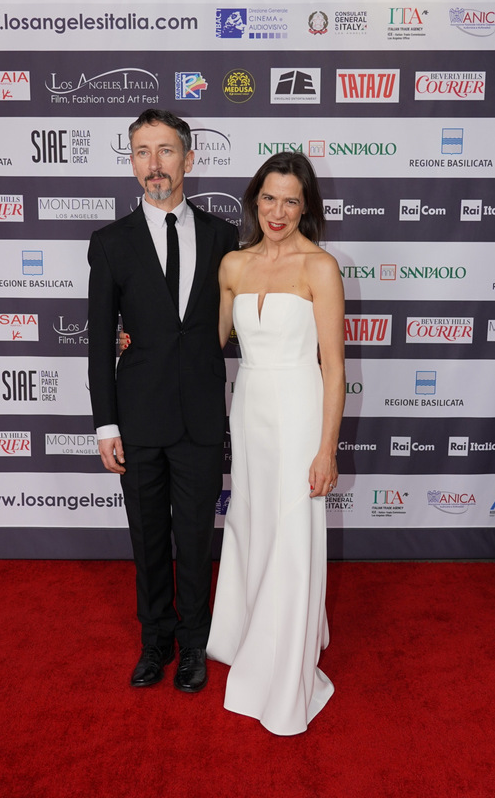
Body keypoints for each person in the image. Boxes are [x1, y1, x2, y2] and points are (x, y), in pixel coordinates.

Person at [87, 109, 238, 693]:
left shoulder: (223, 236)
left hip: (200, 415)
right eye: (142, 152)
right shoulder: (110, 243)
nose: (154, 164)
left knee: (196, 537)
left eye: (166, 151)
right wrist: (106, 425)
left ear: (189, 159)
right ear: (132, 163)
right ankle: (156, 640)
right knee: (148, 538)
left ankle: (195, 642)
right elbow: (101, 339)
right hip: (139, 417)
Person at [206, 152, 345, 735]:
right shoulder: (233, 264)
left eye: (291, 200)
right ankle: (248, 629)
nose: (278, 211)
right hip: (250, 410)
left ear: (305, 206)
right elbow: (206, 344)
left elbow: (334, 369)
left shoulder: (321, 268)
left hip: (299, 410)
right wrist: (141, 340)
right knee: (254, 519)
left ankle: (284, 662)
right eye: (269, 197)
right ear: (254, 200)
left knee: (291, 527)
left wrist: (326, 450)